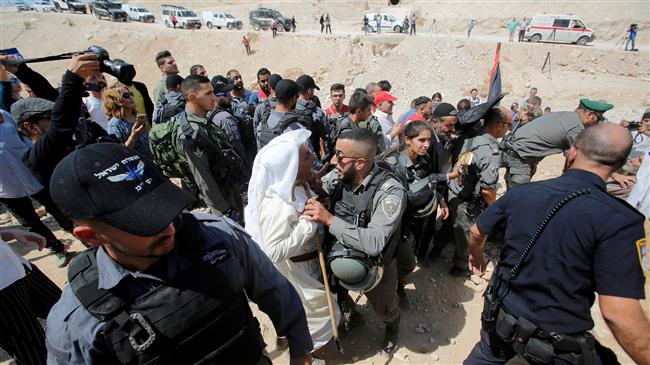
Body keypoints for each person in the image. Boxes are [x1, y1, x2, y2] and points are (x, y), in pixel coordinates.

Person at [45, 142, 314, 365]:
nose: (169, 228)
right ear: (91, 236)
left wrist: (301, 352)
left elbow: (276, 292)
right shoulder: (77, 325)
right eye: (143, 223)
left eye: (165, 208)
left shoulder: (217, 237)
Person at [465, 123, 650, 364]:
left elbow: (477, 231)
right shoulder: (621, 221)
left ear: (572, 152)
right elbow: (619, 314)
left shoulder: (523, 193)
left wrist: (476, 255)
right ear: (618, 165)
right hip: (557, 342)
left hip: (502, 316)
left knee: (487, 354)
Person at [303, 128, 406, 357]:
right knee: (337, 291)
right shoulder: (341, 175)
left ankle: (392, 327)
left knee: (384, 306)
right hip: (340, 254)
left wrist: (329, 219)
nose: (332, 160)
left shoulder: (389, 191)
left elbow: (374, 242)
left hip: (375, 264)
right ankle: (353, 315)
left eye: (339, 155)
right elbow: (321, 191)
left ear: (360, 163)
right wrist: (316, 185)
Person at [245, 129, 339, 360]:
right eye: (307, 156)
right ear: (290, 165)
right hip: (299, 272)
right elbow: (273, 252)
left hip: (310, 264)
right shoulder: (278, 204)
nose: (314, 158)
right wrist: (308, 224)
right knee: (308, 322)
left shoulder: (295, 185)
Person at [8, 54, 100, 267]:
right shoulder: (37, 157)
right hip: (92, 223)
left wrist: (22, 70)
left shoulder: (64, 138)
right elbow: (62, 120)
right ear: (31, 127)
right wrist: (72, 78)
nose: (57, 118)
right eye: (48, 118)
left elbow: (55, 102)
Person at [151, 75, 243, 219]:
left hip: (228, 188)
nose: (214, 97)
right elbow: (204, 180)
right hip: (222, 200)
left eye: (212, 92)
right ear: (193, 98)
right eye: (208, 94)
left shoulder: (200, 120)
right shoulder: (190, 134)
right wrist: (224, 211)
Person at [381, 121, 450, 302]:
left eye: (428, 140)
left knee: (406, 261)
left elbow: (426, 180)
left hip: (411, 222)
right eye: (421, 140)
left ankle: (399, 285)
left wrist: (440, 199)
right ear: (407, 140)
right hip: (392, 225)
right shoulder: (393, 165)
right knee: (399, 263)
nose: (426, 145)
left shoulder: (423, 158)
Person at [446, 107, 512, 277]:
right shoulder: (490, 149)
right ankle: (461, 265)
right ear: (498, 125)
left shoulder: (469, 135)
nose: (509, 129)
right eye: (508, 125)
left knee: (454, 225)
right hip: (468, 200)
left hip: (454, 190)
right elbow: (487, 189)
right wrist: (495, 209)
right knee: (467, 233)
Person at [502, 98, 615, 188]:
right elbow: (578, 158)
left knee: (513, 195)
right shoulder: (576, 128)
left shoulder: (566, 116)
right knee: (519, 198)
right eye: (599, 118)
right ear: (590, 115)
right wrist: (614, 174)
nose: (599, 122)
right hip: (519, 157)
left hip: (512, 149)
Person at [0, 228, 61, 365]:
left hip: (19, 267)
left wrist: (9, 234)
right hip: (3, 293)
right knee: (37, 355)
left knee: (73, 318)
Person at [208, 75, 252, 181]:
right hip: (238, 170)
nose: (229, 97)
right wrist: (247, 171)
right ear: (218, 97)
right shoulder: (225, 118)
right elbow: (237, 148)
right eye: (226, 94)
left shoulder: (209, 112)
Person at [330, 90, 387, 155]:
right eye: (368, 110)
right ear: (359, 111)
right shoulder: (347, 129)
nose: (370, 113)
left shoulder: (351, 122)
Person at [104, 86, 152, 158]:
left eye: (130, 94)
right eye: (126, 95)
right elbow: (119, 152)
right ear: (116, 100)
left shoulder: (136, 116)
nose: (131, 97)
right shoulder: (114, 124)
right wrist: (133, 136)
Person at [256, 79, 304, 149]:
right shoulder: (296, 130)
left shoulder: (262, 124)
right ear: (293, 99)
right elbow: (309, 157)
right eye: (297, 96)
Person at [296, 74, 329, 158]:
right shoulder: (316, 111)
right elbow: (326, 134)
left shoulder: (289, 108)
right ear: (309, 91)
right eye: (313, 89)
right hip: (311, 157)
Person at [253, 73, 282, 144]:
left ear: (269, 87)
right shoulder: (288, 104)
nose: (265, 83)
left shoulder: (260, 107)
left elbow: (256, 130)